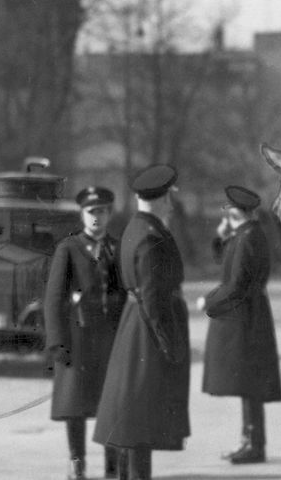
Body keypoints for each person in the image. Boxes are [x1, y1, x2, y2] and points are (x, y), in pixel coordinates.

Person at [92, 164, 190, 480]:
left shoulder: (136, 228)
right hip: (147, 333)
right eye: (170, 198)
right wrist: (170, 344)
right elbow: (154, 300)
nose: (172, 204)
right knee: (140, 425)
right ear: (163, 199)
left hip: (135, 329)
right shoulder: (150, 238)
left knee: (133, 422)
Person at [44, 187, 127, 480]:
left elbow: (125, 293)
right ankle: (76, 461)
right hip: (77, 339)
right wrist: (56, 341)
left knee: (111, 402)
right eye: (91, 212)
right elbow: (54, 298)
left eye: (102, 212)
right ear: (82, 215)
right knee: (75, 404)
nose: (97, 218)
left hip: (109, 339)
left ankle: (112, 461)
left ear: (109, 214)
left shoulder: (117, 248)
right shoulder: (68, 248)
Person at [196, 185, 281, 464]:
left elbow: (234, 284)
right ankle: (250, 442)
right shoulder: (246, 235)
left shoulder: (247, 238)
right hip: (248, 314)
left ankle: (254, 445)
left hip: (247, 316)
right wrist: (220, 238)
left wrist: (207, 303)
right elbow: (227, 264)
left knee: (250, 385)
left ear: (236, 212)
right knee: (248, 385)